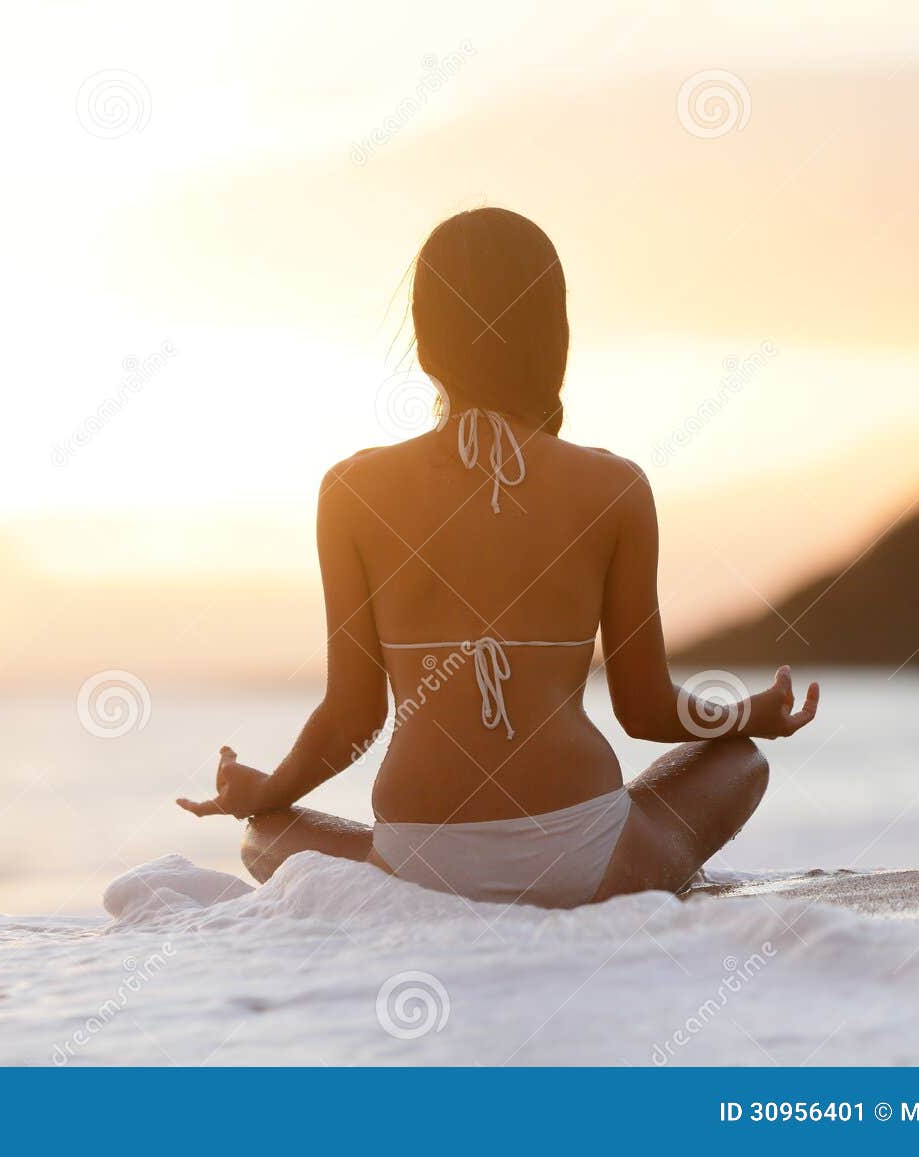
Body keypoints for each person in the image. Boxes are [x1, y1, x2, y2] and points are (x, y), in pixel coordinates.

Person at [177, 207, 818, 907]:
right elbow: (645, 708)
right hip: (589, 862)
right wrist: (749, 714)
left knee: (262, 833)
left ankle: (357, 857)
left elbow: (351, 720)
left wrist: (263, 790)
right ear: (554, 335)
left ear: (424, 341)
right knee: (738, 761)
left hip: (417, 865)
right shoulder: (617, 486)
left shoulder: (351, 490)